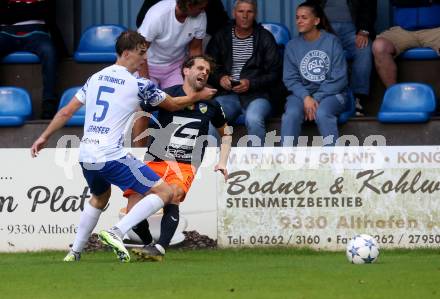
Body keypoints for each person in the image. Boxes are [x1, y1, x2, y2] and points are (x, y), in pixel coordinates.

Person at [30, 30, 217, 262]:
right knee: (165, 192)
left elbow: (67, 111)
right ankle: (116, 232)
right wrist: (197, 98)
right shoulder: (139, 84)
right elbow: (172, 104)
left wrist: (44, 137)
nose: (144, 59)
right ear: (126, 53)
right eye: (141, 53)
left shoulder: (95, 77)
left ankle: (74, 252)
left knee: (100, 197)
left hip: (87, 154)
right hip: (111, 155)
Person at [123, 55, 231, 261]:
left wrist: (222, 161)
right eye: (200, 68)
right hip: (155, 160)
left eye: (207, 71)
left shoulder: (212, 105)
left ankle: (160, 249)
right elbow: (141, 108)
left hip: (185, 164)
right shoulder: (167, 95)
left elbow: (226, 133)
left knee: (173, 197)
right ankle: (148, 245)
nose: (204, 73)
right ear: (186, 71)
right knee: (133, 212)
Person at [206, 0, 282, 145]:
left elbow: (275, 73)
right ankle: (212, 162)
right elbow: (209, 67)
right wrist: (220, 78)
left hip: (258, 95)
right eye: (241, 11)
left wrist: (251, 83)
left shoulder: (265, 37)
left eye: (249, 11)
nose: (245, 16)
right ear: (234, 13)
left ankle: (256, 164)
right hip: (228, 94)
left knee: (254, 118)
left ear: (255, 14)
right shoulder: (222, 36)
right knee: (213, 117)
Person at [281, 0, 348, 146]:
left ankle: (334, 162)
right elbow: (290, 79)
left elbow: (339, 78)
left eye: (304, 17)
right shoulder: (292, 46)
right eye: (297, 17)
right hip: (302, 95)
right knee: (291, 115)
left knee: (322, 113)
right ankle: (285, 162)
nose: (299, 21)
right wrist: (306, 97)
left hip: (332, 94)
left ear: (316, 20)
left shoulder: (332, 42)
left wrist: (315, 98)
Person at [0, 0, 64, 119]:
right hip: (6, 32)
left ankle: (49, 108)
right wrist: (31, 9)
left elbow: (47, 12)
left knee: (49, 52)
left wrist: (13, 9)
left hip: (37, 31)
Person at [317, 0, 377, 116]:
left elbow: (369, 8)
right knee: (317, 50)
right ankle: (321, 98)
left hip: (353, 29)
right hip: (325, 28)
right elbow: (311, 6)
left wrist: (363, 30)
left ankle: (356, 98)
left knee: (364, 49)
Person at [137, 0, 208, 89]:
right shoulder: (158, 15)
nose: (203, 11)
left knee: (181, 98)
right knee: (148, 100)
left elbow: (195, 49)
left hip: (175, 68)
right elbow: (139, 51)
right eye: (201, 8)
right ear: (189, 5)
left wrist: (195, 78)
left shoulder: (201, 16)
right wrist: (145, 82)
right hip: (148, 66)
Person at [372, 0, 440, 88]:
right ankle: (395, 94)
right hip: (403, 30)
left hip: (435, 30)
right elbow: (396, 1)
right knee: (379, 46)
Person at [136, 0, 229, 38]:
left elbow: (221, 25)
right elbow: (141, 21)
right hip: (158, 40)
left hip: (196, 36)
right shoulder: (158, 12)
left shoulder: (202, 12)